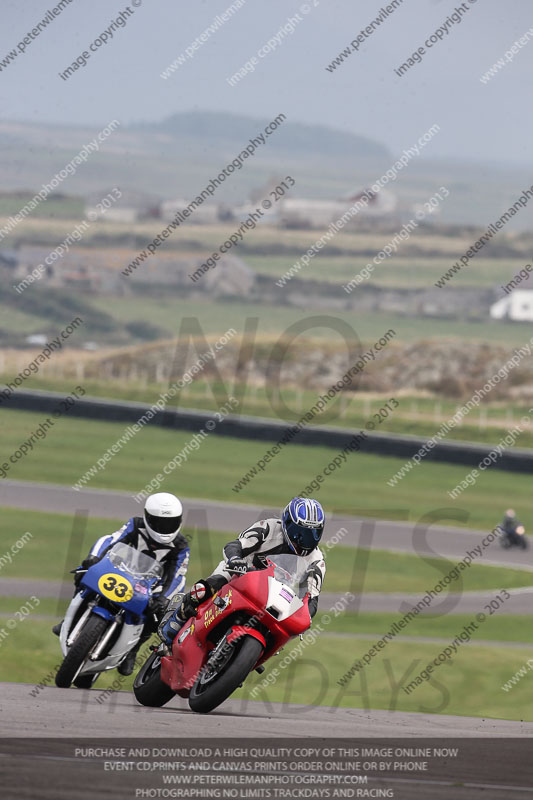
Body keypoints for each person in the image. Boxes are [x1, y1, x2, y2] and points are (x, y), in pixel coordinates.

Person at [53, 492, 190, 675]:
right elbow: (110, 540)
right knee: (83, 571)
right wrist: (94, 558)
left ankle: (133, 649)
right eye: (159, 523)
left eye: (170, 523)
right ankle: (69, 620)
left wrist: (163, 598)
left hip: (151, 586)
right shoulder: (135, 525)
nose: (164, 528)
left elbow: (178, 576)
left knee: (157, 614)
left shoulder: (181, 545)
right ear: (147, 517)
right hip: (120, 570)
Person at [159, 497, 326, 646]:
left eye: (313, 533)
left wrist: (305, 617)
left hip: (275, 597)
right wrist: (235, 560)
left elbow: (312, 597)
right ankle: (179, 617)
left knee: (279, 636)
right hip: (240, 574)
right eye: (300, 533)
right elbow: (235, 545)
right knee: (207, 588)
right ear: (287, 523)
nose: (305, 540)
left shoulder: (316, 559)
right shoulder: (268, 527)